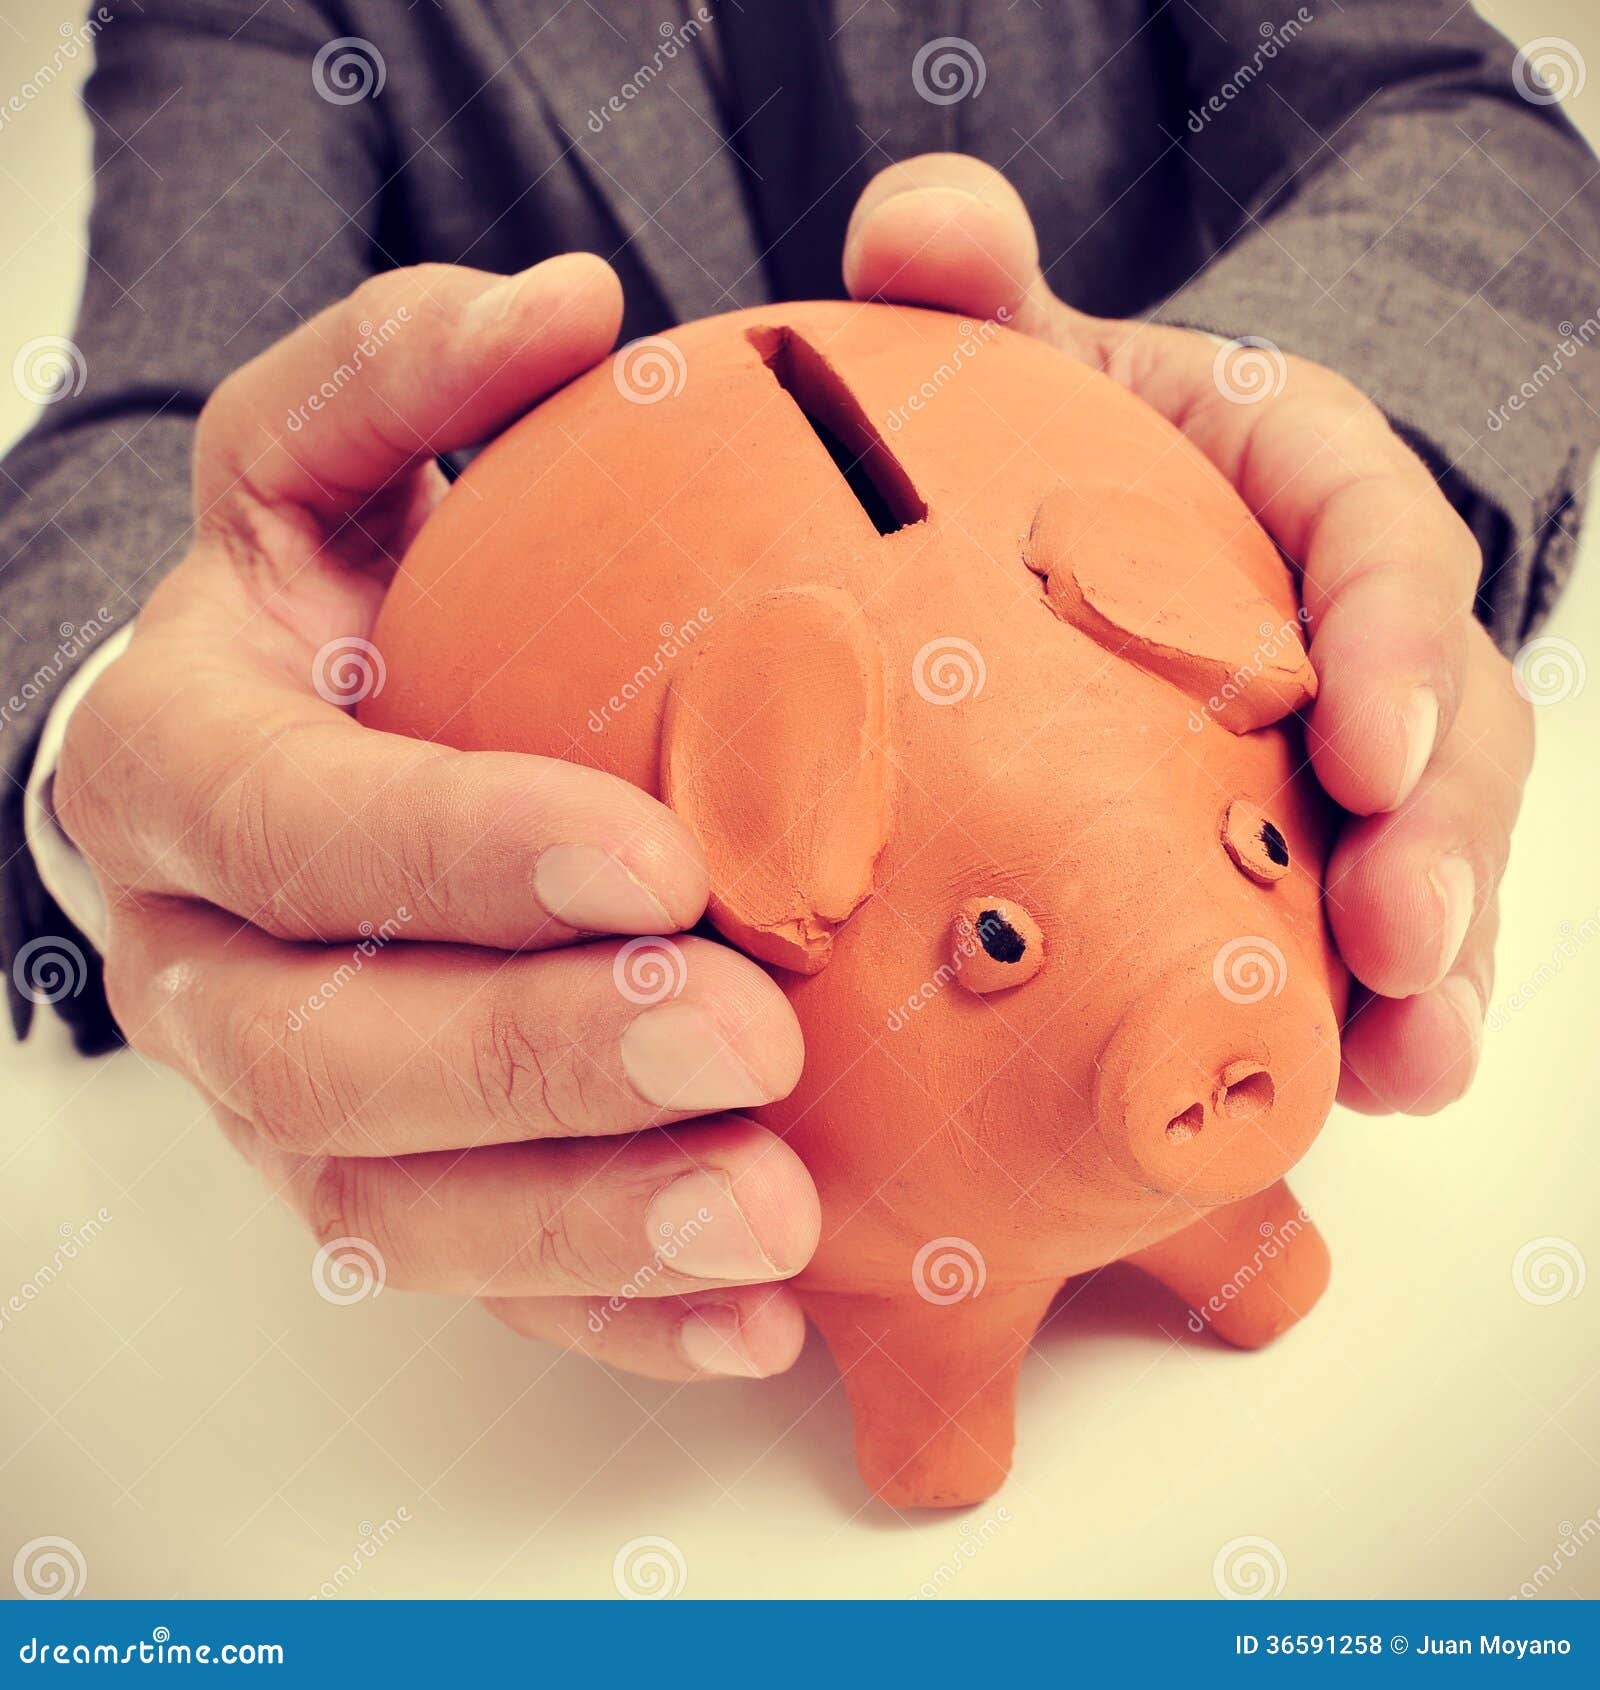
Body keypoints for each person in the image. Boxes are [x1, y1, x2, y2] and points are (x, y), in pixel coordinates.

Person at [1, 1, 1594, 1383]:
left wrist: (1286, 489)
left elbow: (1459, 122)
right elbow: (135, 417)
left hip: (1136, 585)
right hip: (647, 882)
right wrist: (126, 753)